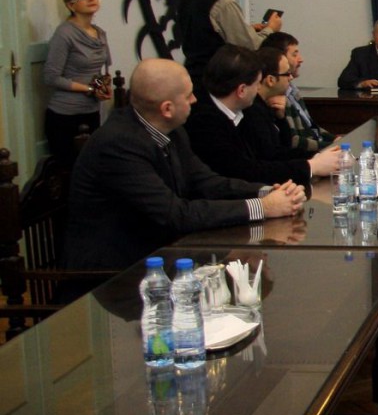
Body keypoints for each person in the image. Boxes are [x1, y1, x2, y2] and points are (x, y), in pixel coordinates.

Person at [64, 58, 306, 270]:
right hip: (114, 277)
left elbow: (206, 182)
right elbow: (175, 214)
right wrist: (262, 208)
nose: (195, 99)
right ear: (167, 109)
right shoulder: (119, 144)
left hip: (166, 256)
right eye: (188, 95)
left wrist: (268, 192)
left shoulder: (172, 130)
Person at [185, 45, 339, 187]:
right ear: (242, 90)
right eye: (257, 83)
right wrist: (311, 166)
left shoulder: (238, 110)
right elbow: (245, 171)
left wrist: (316, 158)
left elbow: (268, 154)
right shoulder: (204, 123)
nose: (259, 89)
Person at [42, 0, 112, 160]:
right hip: (65, 115)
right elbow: (51, 77)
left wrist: (103, 87)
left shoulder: (100, 33)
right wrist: (89, 89)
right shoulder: (64, 33)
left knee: (92, 165)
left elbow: (98, 71)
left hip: (92, 111)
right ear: (70, 5)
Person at [261, 31, 335, 152]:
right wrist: (331, 146)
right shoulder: (277, 96)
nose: (301, 59)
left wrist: (336, 140)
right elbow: (293, 141)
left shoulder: (293, 90)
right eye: (294, 55)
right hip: (308, 154)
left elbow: (313, 128)